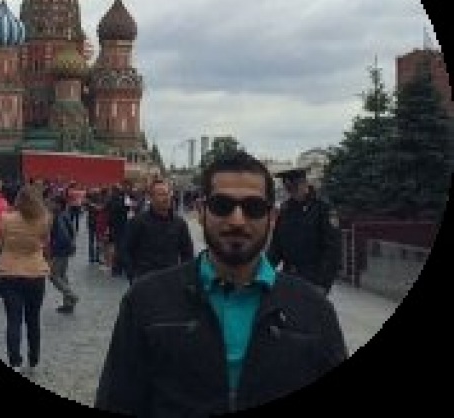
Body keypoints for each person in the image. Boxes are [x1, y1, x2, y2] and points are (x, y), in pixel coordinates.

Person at [95, 150, 348, 415]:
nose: (237, 220)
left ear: (271, 218)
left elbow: (330, 250)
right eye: (222, 205)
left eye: (253, 208)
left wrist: (315, 285)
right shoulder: (145, 301)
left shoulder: (314, 310)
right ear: (201, 211)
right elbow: (118, 400)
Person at [0, 184, 52, 374]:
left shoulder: (6, 219)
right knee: (33, 319)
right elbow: (45, 242)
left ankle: (15, 361)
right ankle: (33, 358)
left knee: (13, 319)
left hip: (9, 272)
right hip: (35, 272)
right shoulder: (44, 219)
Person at [266, 167, 342, 295]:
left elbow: (332, 249)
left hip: (313, 280)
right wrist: (265, 272)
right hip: (288, 277)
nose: (291, 191)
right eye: (288, 187)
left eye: (294, 186)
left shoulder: (322, 208)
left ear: (304, 183)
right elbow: (276, 247)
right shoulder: (286, 209)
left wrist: (323, 283)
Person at [123, 178, 194, 284]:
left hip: (171, 281)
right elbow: (126, 250)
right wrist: (132, 275)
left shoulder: (179, 223)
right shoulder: (138, 222)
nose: (166, 198)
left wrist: (185, 278)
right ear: (151, 198)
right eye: (161, 194)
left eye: (168, 194)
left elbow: (187, 253)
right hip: (145, 281)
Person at [48, 194, 79, 314]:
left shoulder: (58, 216)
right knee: (62, 276)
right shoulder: (64, 214)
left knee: (53, 275)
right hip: (65, 249)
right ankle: (68, 303)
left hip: (60, 250)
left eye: (52, 202)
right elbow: (72, 231)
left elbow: (63, 236)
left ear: (58, 205)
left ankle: (71, 296)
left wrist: (54, 247)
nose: (49, 204)